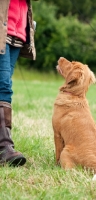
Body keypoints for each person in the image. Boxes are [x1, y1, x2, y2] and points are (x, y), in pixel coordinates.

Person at [0, 0, 38, 166]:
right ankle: (4, 146)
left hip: (18, 32)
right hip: (3, 27)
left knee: (5, 85)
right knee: (4, 87)